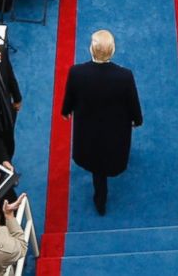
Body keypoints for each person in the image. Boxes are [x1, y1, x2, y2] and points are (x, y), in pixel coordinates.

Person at [59, 30, 142, 215]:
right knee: (111, 154)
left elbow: (70, 96)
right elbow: (132, 101)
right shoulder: (124, 76)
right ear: (112, 50)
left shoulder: (77, 72)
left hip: (88, 129)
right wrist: (137, 119)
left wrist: (65, 112)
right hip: (116, 128)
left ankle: (100, 200)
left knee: (96, 165)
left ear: (91, 49)